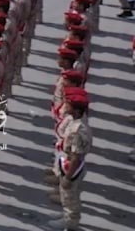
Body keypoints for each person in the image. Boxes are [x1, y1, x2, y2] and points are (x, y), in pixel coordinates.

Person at [50, 88, 91, 230]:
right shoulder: (75, 122)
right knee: (68, 197)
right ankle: (66, 216)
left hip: (72, 168)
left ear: (77, 111)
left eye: (69, 106)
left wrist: (67, 177)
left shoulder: (77, 130)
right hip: (68, 162)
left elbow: (76, 157)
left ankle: (71, 224)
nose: (66, 107)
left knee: (71, 198)